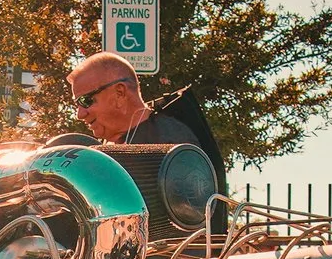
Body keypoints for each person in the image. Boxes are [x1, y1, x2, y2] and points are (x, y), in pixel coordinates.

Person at [63, 52, 224, 173]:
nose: (79, 114)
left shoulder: (171, 140)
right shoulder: (109, 146)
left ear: (120, 93)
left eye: (85, 101)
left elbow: (192, 211)